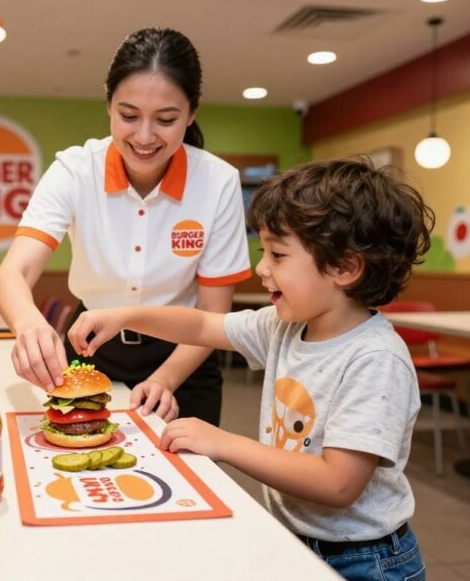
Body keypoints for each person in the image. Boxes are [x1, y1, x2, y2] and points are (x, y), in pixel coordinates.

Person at [67, 158, 433, 581]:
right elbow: (204, 324)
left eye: (277, 254)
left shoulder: (375, 358)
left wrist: (223, 443)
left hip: (365, 560)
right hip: (299, 537)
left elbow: (338, 483)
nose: (261, 269)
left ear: (345, 268)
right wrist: (124, 315)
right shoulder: (285, 326)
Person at [0, 27, 252, 425]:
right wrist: (27, 324)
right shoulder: (76, 170)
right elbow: (15, 271)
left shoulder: (217, 182)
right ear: (108, 104)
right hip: (93, 349)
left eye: (166, 119)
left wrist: (164, 380)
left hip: (184, 358)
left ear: (193, 111)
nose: (144, 137)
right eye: (128, 116)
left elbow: (213, 312)